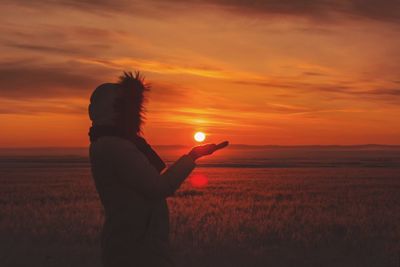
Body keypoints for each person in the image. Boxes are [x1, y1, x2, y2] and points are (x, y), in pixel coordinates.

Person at [88, 71, 228, 267]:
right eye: (129, 107)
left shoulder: (105, 143)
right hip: (136, 251)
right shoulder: (117, 147)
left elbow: (146, 182)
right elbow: (159, 187)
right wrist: (193, 156)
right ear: (116, 110)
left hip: (128, 244)